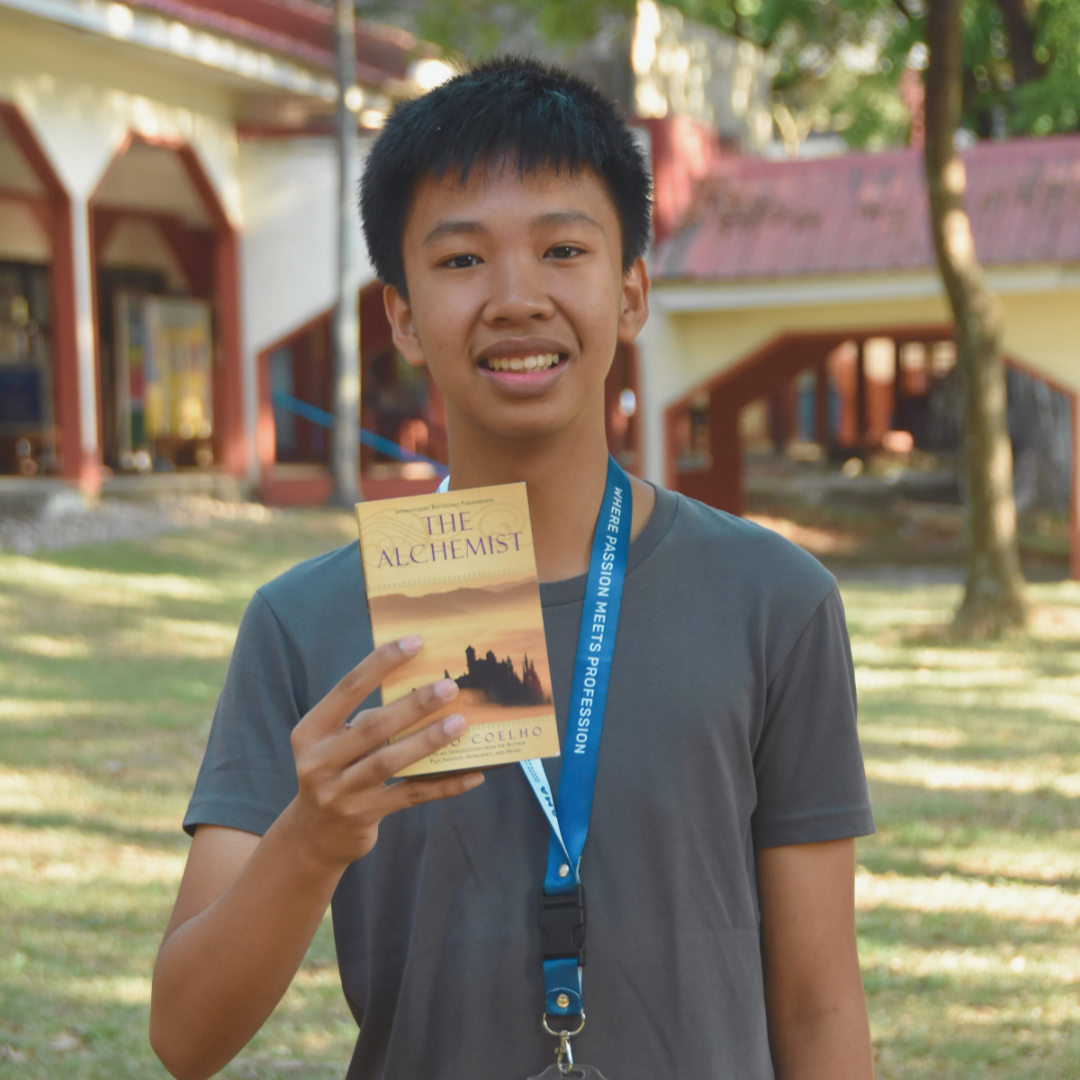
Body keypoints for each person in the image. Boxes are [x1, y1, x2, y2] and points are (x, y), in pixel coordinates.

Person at [150, 58, 876, 1080]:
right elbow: (185, 1038)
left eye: (563, 249)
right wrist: (312, 836)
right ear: (403, 317)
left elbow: (820, 1005)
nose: (516, 298)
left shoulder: (775, 602)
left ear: (631, 293)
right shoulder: (306, 624)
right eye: (461, 260)